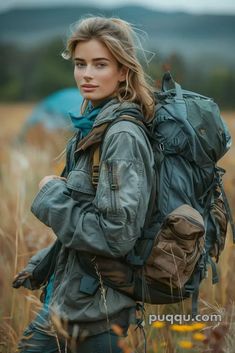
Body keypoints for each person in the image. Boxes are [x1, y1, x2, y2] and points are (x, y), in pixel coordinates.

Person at [14, 16, 156, 353]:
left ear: (123, 70)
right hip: (69, 300)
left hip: (101, 312)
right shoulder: (93, 125)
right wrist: (43, 265)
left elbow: (115, 234)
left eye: (100, 64)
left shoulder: (121, 135)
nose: (86, 74)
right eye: (80, 64)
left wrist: (52, 194)